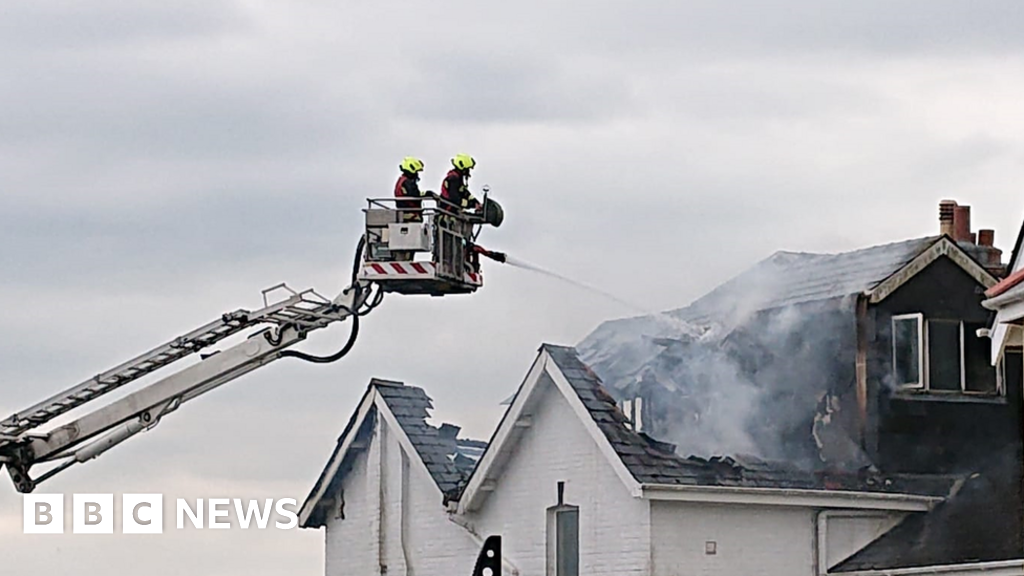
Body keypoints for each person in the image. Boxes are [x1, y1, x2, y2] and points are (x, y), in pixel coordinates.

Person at [394, 156, 426, 222]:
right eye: (416, 172)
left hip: (405, 213)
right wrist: (426, 194)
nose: (417, 175)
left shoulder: (402, 180)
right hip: (410, 215)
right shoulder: (407, 182)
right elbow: (414, 195)